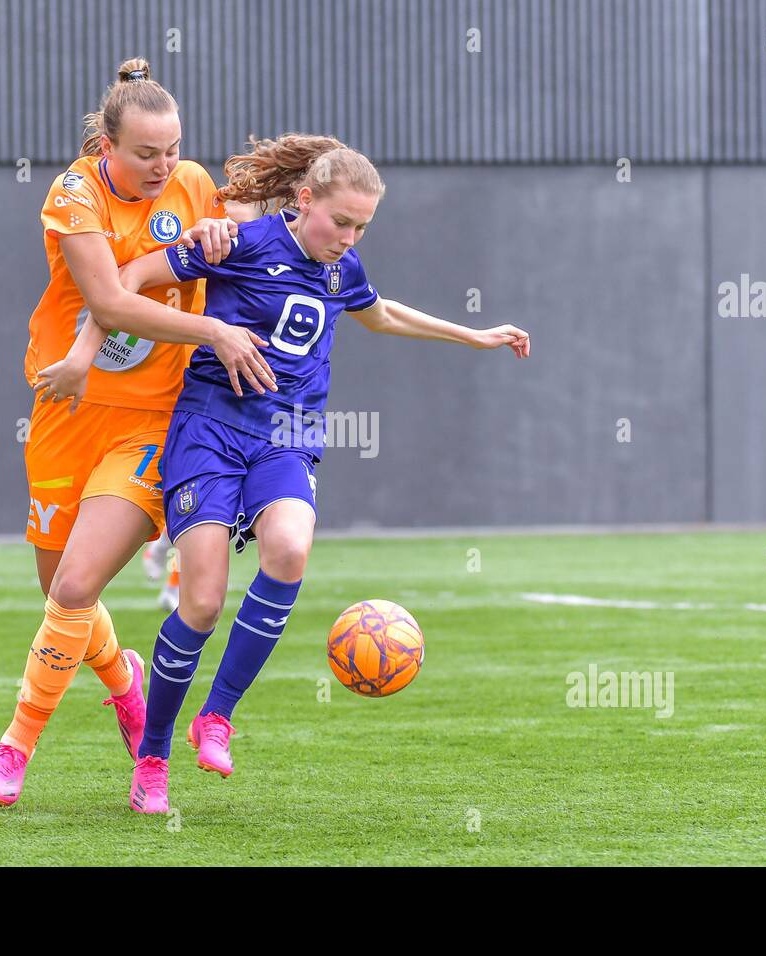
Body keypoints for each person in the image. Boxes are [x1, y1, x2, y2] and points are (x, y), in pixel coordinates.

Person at [39, 133, 529, 814]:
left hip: (288, 436)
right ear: (305, 200)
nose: (349, 238)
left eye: (363, 227)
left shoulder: (342, 269)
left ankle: (218, 718)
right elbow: (132, 279)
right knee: (202, 600)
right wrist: (91, 349)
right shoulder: (236, 242)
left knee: (291, 548)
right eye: (341, 221)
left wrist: (473, 335)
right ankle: (152, 754)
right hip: (209, 428)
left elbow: (380, 314)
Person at [0, 58, 274, 807]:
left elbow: (258, 229)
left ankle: (14, 750)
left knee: (76, 584)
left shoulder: (194, 182)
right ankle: (124, 683)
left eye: (172, 150)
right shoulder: (73, 194)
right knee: (59, 592)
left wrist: (225, 224)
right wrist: (212, 329)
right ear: (105, 146)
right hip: (65, 411)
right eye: (146, 153)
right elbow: (109, 300)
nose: (163, 166)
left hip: (151, 422)